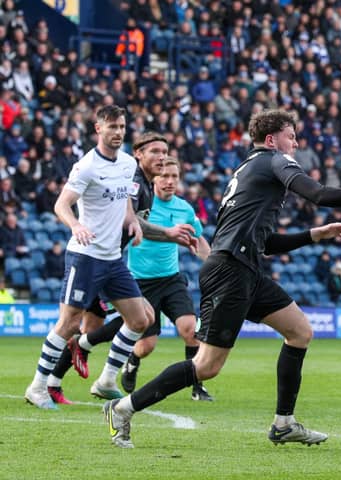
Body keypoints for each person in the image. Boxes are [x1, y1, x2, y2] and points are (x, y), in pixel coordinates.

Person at [102, 109, 341, 448]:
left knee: (300, 332)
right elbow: (319, 194)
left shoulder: (248, 170)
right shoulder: (273, 161)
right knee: (205, 366)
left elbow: (265, 243)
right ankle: (122, 409)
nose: (295, 143)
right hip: (231, 271)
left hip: (244, 268)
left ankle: (284, 423)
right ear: (271, 139)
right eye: (290, 136)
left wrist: (314, 235)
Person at [46, 131, 197, 405]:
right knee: (79, 326)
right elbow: (137, 225)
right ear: (138, 154)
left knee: (97, 326)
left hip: (110, 260)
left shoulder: (145, 187)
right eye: (155, 152)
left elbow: (135, 224)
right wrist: (168, 232)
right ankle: (54, 382)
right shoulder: (135, 184)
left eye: (165, 152)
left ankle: (69, 380)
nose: (162, 159)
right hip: (97, 259)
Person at [24, 105, 153, 410]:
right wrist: (76, 225)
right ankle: (37, 386)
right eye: (112, 127)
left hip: (112, 259)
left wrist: (132, 220)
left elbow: (124, 200)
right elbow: (61, 205)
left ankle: (107, 381)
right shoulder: (87, 166)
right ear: (98, 129)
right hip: (85, 257)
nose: (118, 132)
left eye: (121, 126)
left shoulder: (126, 163)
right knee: (69, 323)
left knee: (140, 319)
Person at [119, 156, 213, 401]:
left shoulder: (184, 209)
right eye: (165, 176)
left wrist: (215, 264)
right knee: (146, 346)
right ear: (155, 178)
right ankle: (133, 360)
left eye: (175, 177)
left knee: (190, 330)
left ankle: (197, 385)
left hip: (171, 279)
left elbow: (198, 240)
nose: (170, 181)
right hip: (141, 281)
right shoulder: (142, 204)